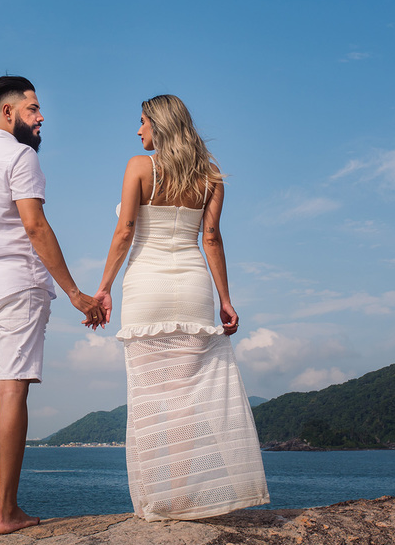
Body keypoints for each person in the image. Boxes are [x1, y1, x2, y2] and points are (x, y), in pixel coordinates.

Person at [0, 75, 105, 536]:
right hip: (18, 288)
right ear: (7, 112)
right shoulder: (20, 156)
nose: (40, 116)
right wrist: (74, 292)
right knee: (12, 390)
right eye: (33, 109)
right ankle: (6, 513)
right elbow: (35, 226)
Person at [94, 94, 269, 520]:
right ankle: (187, 498)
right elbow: (211, 239)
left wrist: (103, 289)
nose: (138, 131)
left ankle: (161, 500)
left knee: (151, 396)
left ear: (160, 124)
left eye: (142, 122)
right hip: (193, 287)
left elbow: (125, 231)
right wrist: (226, 299)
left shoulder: (139, 167)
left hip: (146, 287)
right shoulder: (211, 177)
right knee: (190, 396)